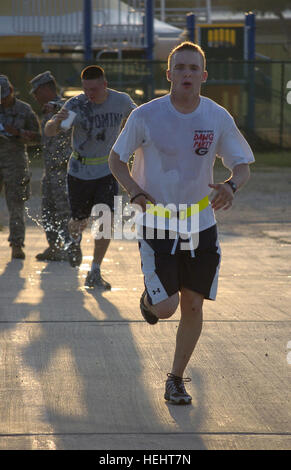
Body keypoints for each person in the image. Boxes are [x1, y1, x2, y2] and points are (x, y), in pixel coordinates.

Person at [109, 41, 254, 405]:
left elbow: (242, 165)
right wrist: (135, 191)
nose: (187, 74)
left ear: (203, 76)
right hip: (156, 221)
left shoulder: (217, 116)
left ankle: (175, 378)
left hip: (200, 223)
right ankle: (151, 298)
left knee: (193, 305)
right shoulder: (146, 115)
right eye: (181, 67)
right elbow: (115, 159)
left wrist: (231, 185)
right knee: (166, 308)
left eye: (194, 69)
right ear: (169, 73)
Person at [44, 65, 136, 288]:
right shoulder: (76, 105)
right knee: (79, 221)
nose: (89, 95)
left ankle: (95, 269)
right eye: (86, 89)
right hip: (79, 171)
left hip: (107, 171)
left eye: (94, 90)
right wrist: (56, 122)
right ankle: (74, 239)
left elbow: (140, 120)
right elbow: (50, 131)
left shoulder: (121, 101)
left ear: (105, 84)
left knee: (105, 221)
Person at [29, 71, 71, 261]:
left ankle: (70, 248)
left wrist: (55, 107)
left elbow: (71, 115)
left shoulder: (64, 107)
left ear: (46, 89)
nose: (35, 96)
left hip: (63, 170)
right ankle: (53, 247)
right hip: (50, 170)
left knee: (64, 212)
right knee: (48, 211)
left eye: (37, 92)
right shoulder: (47, 111)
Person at [0, 74, 41, 259]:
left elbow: (38, 136)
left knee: (16, 202)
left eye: (4, 96)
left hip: (15, 161)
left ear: (10, 91)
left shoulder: (24, 110)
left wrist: (18, 133)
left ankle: (17, 244)